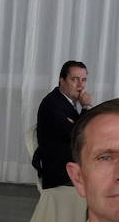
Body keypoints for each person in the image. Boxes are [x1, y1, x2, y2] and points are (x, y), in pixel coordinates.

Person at [32, 61, 94, 189]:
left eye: (83, 80)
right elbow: (77, 136)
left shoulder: (65, 101)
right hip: (60, 173)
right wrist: (87, 107)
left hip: (69, 164)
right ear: (62, 80)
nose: (80, 85)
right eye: (74, 79)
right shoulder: (53, 104)